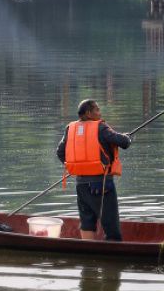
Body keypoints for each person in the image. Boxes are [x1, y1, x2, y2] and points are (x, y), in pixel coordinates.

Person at [56, 99, 132, 241]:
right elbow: (122, 142)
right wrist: (128, 138)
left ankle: (88, 253)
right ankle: (113, 257)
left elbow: (60, 152)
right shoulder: (101, 128)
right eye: (97, 109)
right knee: (111, 225)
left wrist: (77, 166)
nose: (100, 112)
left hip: (81, 185)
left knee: (87, 222)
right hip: (102, 185)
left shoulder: (70, 128)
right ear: (88, 113)